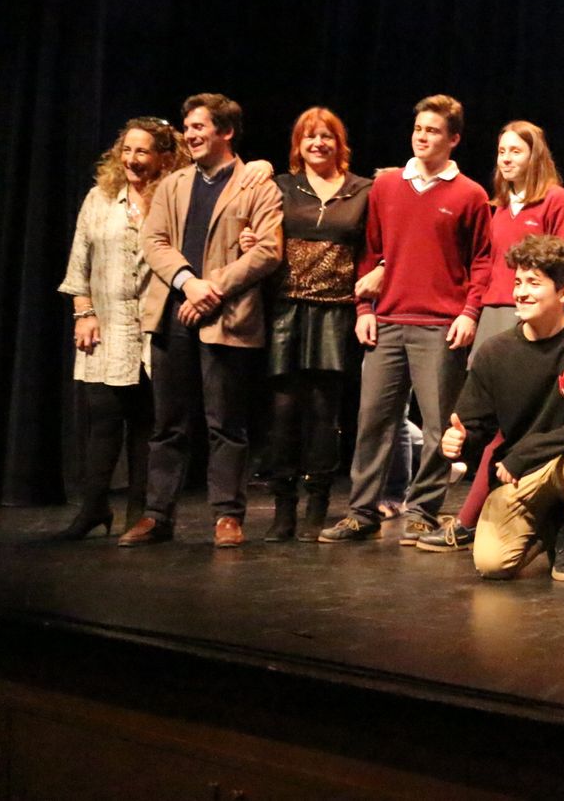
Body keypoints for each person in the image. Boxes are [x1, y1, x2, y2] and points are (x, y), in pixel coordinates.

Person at [319, 94, 493, 545]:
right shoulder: (388, 186)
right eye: (418, 129)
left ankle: (423, 509)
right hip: (389, 320)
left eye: (433, 131)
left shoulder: (469, 194)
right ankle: (362, 510)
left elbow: (481, 261)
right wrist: (363, 310)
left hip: (441, 324)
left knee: (438, 425)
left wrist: (470, 313)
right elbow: (370, 254)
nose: (422, 137)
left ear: (453, 139)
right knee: (374, 418)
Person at [122, 94, 284, 548]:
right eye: (187, 127)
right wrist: (187, 282)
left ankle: (227, 516)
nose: (190, 134)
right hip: (173, 311)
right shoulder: (173, 184)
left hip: (226, 316)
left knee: (225, 422)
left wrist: (211, 288)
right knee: (168, 423)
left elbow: (268, 250)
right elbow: (154, 240)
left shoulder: (257, 184)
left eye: (199, 127)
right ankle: (157, 515)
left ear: (225, 131)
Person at [417, 120, 564, 552]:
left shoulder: (553, 199)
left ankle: (471, 521)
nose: (506, 159)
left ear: (534, 156)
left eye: (515, 151)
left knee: (515, 423)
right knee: (484, 421)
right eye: (501, 151)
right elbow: (485, 263)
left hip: (531, 318)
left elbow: (562, 261)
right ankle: (474, 516)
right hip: (494, 315)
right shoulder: (499, 206)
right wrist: (475, 309)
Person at [438, 234, 564, 581]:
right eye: (518, 282)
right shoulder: (495, 352)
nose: (520, 292)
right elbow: (475, 426)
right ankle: (545, 529)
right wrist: (457, 443)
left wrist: (524, 453)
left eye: (533, 283)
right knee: (493, 566)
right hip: (518, 478)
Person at [242, 108, 371, 543]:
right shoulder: (280, 185)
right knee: (282, 413)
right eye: (309, 137)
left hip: (335, 311)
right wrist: (249, 238)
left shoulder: (362, 190)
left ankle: (318, 504)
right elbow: (251, 222)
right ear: (298, 145)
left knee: (324, 412)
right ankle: (283, 508)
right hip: (285, 310)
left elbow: (381, 244)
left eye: (326, 137)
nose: (318, 144)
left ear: (340, 144)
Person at [56, 118, 188, 538]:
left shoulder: (173, 200)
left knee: (148, 425)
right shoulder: (100, 198)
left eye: (142, 151)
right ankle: (93, 507)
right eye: (127, 150)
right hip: (106, 328)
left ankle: (139, 514)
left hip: (154, 329)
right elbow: (80, 260)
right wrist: (84, 312)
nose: (132, 159)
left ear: (163, 158)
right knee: (103, 421)